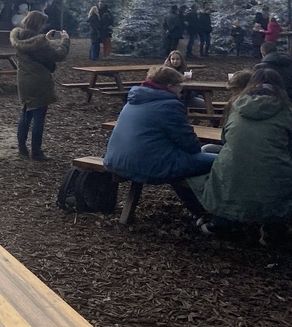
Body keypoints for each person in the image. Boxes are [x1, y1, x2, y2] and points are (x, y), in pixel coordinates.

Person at [190, 67, 292, 245]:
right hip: (274, 171)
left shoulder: (235, 105)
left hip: (231, 169)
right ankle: (272, 227)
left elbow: (225, 138)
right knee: (273, 172)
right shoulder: (286, 111)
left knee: (223, 165)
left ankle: (221, 222)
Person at [103, 65, 217, 217]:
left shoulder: (134, 99)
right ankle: (209, 212)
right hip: (147, 165)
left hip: (116, 161)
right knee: (220, 161)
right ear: (170, 86)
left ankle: (197, 210)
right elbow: (190, 145)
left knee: (185, 163)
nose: (181, 92)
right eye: (179, 88)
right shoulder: (169, 104)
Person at [10, 10, 69, 161]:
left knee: (25, 114)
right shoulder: (39, 43)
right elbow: (57, 55)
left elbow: (35, 48)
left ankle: (22, 148)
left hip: (23, 79)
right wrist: (65, 41)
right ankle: (36, 152)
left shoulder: (18, 37)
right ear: (39, 23)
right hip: (39, 81)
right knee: (39, 117)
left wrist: (46, 39)